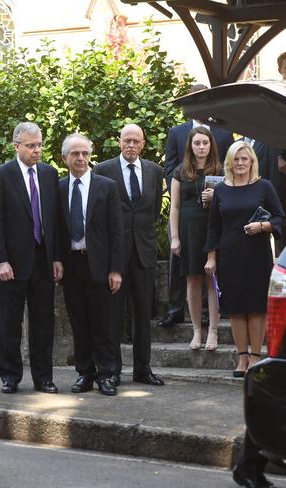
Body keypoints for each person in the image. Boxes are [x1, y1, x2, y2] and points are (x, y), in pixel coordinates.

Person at [0, 122, 63, 394]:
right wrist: (1, 260)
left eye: (40, 145)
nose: (37, 150)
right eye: (31, 146)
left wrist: (56, 258)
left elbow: (54, 220)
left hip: (43, 261)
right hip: (12, 264)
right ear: (16, 146)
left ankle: (44, 378)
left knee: (43, 323)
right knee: (9, 322)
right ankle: (10, 376)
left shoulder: (49, 174)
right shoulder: (1, 175)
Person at [204, 141, 285, 377]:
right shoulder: (221, 190)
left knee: (257, 308)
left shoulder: (264, 186)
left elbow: (281, 218)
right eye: (236, 159)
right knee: (237, 309)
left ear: (252, 162)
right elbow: (213, 227)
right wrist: (211, 257)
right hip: (229, 255)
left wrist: (263, 226)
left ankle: (256, 357)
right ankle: (241, 358)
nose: (240, 163)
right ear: (229, 162)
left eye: (245, 159)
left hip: (257, 255)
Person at [93, 124, 165, 387]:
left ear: (143, 144)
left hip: (144, 254)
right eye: (127, 140)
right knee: (113, 315)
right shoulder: (103, 170)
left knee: (143, 315)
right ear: (119, 142)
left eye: (136, 141)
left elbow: (154, 211)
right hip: (116, 256)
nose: (131, 145)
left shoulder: (155, 171)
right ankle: (112, 370)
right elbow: (100, 215)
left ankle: (143, 369)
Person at [158, 84, 234, 329]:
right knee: (182, 263)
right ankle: (176, 308)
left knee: (214, 270)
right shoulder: (177, 133)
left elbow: (229, 168)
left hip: (214, 215)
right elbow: (170, 167)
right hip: (187, 210)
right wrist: (182, 189)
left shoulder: (223, 133)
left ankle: (216, 311)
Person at [57, 134, 123, 396]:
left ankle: (106, 374)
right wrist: (56, 261)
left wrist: (116, 269)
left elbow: (116, 231)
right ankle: (85, 373)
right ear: (65, 158)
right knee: (79, 322)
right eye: (75, 154)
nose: (81, 158)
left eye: (85, 153)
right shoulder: (59, 188)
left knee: (103, 324)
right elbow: (55, 230)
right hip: (71, 265)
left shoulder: (106, 186)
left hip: (100, 265)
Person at [170, 127, 222, 351]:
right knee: (192, 279)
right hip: (188, 229)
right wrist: (174, 237)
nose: (201, 147)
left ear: (211, 145)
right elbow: (174, 206)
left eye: (205, 143)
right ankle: (196, 331)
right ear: (190, 146)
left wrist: (216, 195)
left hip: (213, 228)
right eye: (197, 143)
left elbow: (230, 202)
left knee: (212, 280)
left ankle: (213, 330)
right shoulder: (180, 171)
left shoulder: (221, 170)